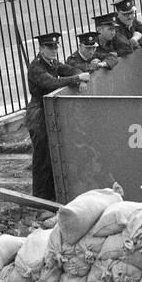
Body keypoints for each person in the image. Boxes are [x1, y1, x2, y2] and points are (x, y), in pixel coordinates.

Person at [24, 32, 92, 203]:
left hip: (50, 110)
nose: (53, 50)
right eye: (49, 47)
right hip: (38, 112)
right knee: (42, 156)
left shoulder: (52, 62)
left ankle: (52, 192)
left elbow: (71, 69)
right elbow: (51, 83)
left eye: (55, 47)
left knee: (54, 151)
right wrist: (77, 78)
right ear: (41, 49)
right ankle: (40, 196)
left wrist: (80, 78)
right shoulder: (36, 67)